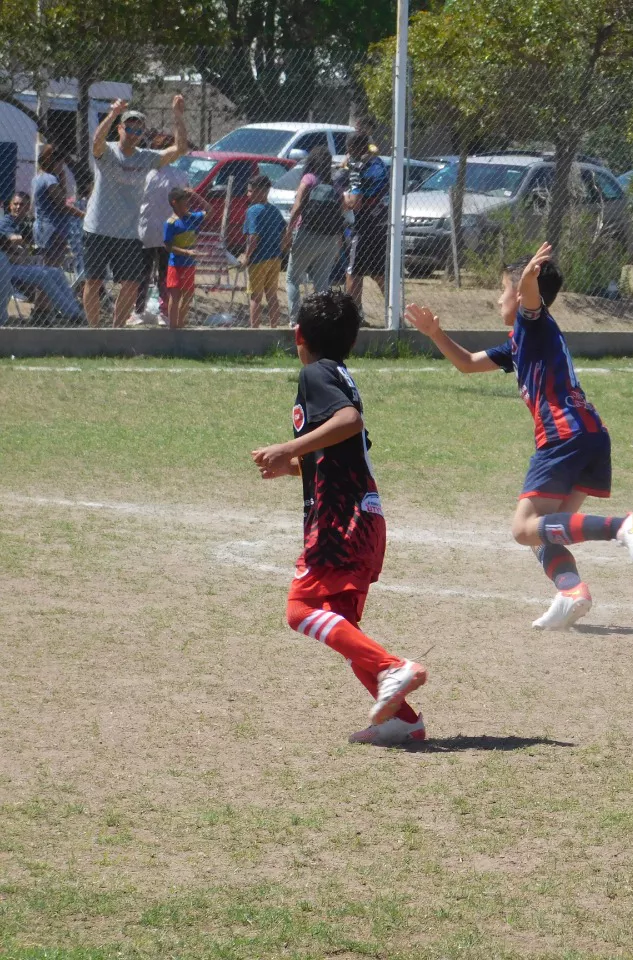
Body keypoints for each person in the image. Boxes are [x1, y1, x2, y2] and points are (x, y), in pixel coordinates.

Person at [403, 243, 633, 632]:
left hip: (563, 436)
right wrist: (436, 333)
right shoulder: (519, 342)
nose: (497, 297)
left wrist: (526, 280)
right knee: (545, 533)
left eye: (503, 289)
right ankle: (571, 593)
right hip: (588, 434)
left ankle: (624, 525)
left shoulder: (530, 323)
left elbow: (531, 301)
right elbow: (468, 364)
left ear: (521, 292)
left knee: (523, 528)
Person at [250, 290, 427, 747]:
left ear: (298, 335)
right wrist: (294, 466)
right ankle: (403, 720)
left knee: (300, 610)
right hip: (364, 517)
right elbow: (347, 452)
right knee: (342, 625)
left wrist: (290, 447)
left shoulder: (315, 373)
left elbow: (349, 422)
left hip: (338, 520)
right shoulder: (341, 374)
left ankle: (393, 668)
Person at [82, 96, 188, 327]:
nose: (133, 133)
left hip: (129, 232)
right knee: (94, 281)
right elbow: (96, 142)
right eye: (128, 127)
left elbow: (180, 149)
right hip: (98, 228)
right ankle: (94, 331)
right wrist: (112, 114)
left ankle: (116, 330)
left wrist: (177, 116)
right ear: (120, 129)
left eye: (138, 130)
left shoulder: (146, 158)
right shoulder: (108, 152)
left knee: (131, 283)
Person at [0, 195, 85, 324]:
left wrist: (29, 250)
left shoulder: (24, 223)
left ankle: (76, 310)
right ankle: (73, 315)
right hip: (7, 268)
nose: (18, 207)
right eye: (15, 204)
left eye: (22, 205)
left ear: (28, 207)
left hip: (19, 265)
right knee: (43, 276)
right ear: (10, 205)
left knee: (56, 272)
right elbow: (13, 239)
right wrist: (23, 246)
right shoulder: (6, 221)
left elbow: (28, 249)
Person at [284, 146, 344, 321]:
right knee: (322, 283)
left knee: (293, 278)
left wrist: (288, 232)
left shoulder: (309, 179)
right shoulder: (335, 185)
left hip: (307, 234)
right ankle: (322, 320)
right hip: (330, 239)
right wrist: (338, 242)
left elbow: (297, 208)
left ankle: (295, 321)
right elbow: (340, 215)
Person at [135, 134, 185, 325]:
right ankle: (164, 310)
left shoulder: (146, 174)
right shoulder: (180, 175)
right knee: (165, 272)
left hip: (146, 229)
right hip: (168, 231)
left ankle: (139, 310)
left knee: (144, 272)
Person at [343, 133, 389, 316]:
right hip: (382, 223)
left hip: (362, 226)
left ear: (353, 149)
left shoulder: (357, 170)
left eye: (348, 149)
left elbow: (355, 202)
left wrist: (344, 196)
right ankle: (395, 314)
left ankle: (351, 315)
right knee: (378, 272)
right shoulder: (380, 164)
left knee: (353, 271)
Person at [242, 174, 285, 328]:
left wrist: (247, 257)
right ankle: (274, 327)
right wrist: (281, 249)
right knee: (272, 295)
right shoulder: (274, 210)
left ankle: (254, 330)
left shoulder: (253, 211)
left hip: (258, 259)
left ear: (262, 192)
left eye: (250, 191)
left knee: (255, 296)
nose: (248, 194)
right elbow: (284, 232)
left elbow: (253, 237)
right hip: (275, 258)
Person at [31, 144, 83, 270]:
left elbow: (60, 198)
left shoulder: (39, 177)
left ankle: (44, 288)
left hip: (44, 227)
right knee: (52, 266)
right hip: (54, 229)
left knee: (46, 265)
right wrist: (84, 215)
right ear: (51, 161)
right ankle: (45, 289)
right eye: (60, 163)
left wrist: (63, 179)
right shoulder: (50, 179)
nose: (62, 166)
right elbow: (62, 205)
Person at [163, 187, 207, 329]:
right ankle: (172, 327)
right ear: (174, 202)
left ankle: (180, 324)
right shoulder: (170, 223)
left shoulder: (192, 217)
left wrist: (196, 195)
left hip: (189, 265)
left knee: (187, 296)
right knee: (174, 297)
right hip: (175, 265)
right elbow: (168, 246)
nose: (188, 203)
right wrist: (186, 252)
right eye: (185, 201)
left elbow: (210, 210)